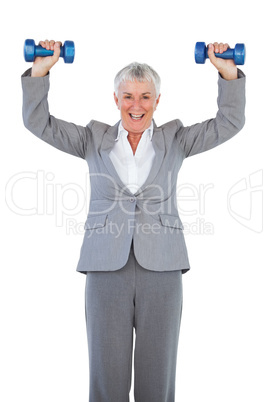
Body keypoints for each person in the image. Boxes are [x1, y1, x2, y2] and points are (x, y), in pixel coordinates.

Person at [21, 40, 246, 402]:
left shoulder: (177, 139)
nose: (136, 105)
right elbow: (38, 122)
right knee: (106, 377)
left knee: (157, 378)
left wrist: (227, 71)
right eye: (128, 96)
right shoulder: (92, 138)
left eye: (145, 97)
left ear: (158, 101)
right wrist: (42, 68)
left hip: (163, 266)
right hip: (105, 266)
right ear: (116, 99)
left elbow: (230, 122)